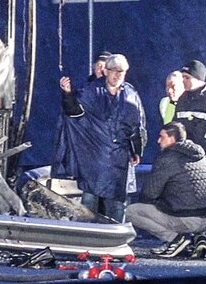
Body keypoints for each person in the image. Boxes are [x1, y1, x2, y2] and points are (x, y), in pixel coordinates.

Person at [54, 53, 146, 222]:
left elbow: (136, 126)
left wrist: (136, 150)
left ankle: (115, 238)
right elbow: (75, 113)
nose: (118, 75)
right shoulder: (92, 91)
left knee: (118, 204)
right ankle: (87, 237)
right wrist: (67, 94)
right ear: (107, 71)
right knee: (90, 199)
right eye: (114, 71)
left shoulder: (131, 94)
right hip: (94, 158)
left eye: (122, 71)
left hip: (119, 159)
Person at [126, 122, 206, 258]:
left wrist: (156, 203)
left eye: (161, 137)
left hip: (189, 219)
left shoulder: (167, 158)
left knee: (131, 211)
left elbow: (149, 193)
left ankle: (176, 240)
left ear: (172, 138)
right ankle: (199, 237)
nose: (158, 141)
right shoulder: (200, 156)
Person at [175, 60, 206, 155]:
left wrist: (203, 151)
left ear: (199, 79)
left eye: (187, 77)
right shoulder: (182, 99)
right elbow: (177, 126)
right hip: (185, 153)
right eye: (182, 77)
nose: (183, 81)